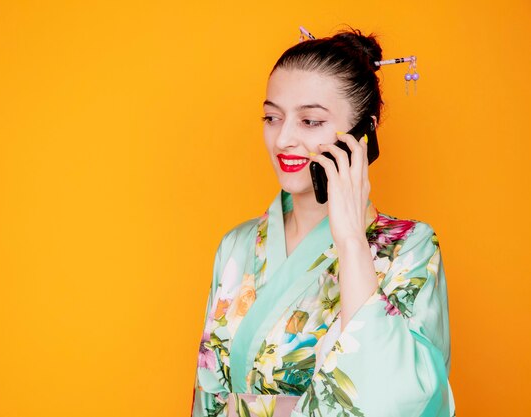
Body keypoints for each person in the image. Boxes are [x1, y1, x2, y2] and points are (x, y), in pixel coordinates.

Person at [191, 26, 455, 417]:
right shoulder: (238, 245)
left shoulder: (410, 247)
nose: (283, 140)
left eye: (310, 121)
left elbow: (395, 396)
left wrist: (350, 240)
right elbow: (208, 396)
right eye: (271, 117)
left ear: (365, 129)